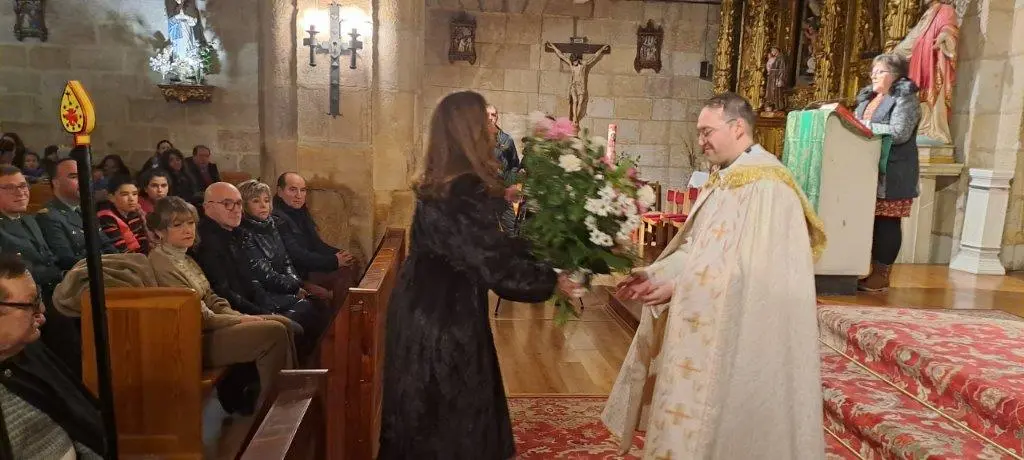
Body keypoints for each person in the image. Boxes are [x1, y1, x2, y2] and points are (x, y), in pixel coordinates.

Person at [603, 93, 827, 459]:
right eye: (699, 133)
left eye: (707, 131)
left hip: (745, 337)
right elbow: (695, 249)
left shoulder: (770, 187)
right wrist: (657, 275)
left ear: (738, 127)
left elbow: (759, 273)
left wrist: (681, 286)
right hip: (705, 320)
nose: (701, 140)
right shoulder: (723, 180)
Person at [377, 91, 580, 459]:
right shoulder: (464, 188)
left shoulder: (441, 182)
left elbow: (484, 248)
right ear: (468, 131)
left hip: (421, 307)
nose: (492, 128)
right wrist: (553, 280)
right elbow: (494, 266)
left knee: (421, 424)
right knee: (453, 430)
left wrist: (544, 252)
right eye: (484, 121)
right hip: (445, 321)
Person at [147, 196, 296, 409]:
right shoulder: (162, 263)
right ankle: (272, 408)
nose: (187, 230)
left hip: (212, 324)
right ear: (160, 231)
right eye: (177, 225)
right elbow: (198, 317)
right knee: (272, 332)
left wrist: (236, 316)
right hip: (193, 340)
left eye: (190, 223)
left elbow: (212, 298)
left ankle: (289, 399)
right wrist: (239, 320)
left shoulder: (185, 257)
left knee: (285, 323)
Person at [0, 254, 107, 459]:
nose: (41, 310)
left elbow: (85, 426)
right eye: (30, 303)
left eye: (38, 298)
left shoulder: (30, 350)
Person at [854, 53, 921, 291]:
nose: (873, 75)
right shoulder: (869, 97)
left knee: (886, 223)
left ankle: (882, 274)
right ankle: (863, 268)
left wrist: (868, 126)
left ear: (895, 75)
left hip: (893, 172)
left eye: (879, 71)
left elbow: (901, 132)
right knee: (868, 222)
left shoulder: (905, 98)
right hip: (866, 169)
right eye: (873, 70)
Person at [37, 157, 117, 271]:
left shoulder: (85, 211)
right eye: (74, 177)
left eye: (84, 176)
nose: (83, 181)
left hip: (104, 270)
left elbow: (107, 245)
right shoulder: (49, 216)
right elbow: (67, 260)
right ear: (56, 183)